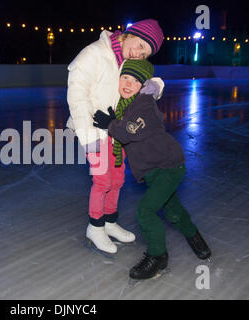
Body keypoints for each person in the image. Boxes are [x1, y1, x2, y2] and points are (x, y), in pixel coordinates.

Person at [93, 59, 212, 280]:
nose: (129, 84)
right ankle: (195, 237)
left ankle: (158, 257)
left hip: (167, 167)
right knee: (172, 211)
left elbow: (129, 130)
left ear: (143, 86)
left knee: (145, 211)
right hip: (153, 171)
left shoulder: (144, 104)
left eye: (136, 81)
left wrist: (111, 124)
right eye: (125, 77)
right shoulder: (125, 104)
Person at [66, 19, 165, 254]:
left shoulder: (127, 60)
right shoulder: (94, 53)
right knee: (102, 181)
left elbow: (144, 76)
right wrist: (88, 136)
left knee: (118, 179)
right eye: (141, 44)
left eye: (146, 52)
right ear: (131, 34)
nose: (140, 54)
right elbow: (77, 95)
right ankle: (95, 226)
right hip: (92, 131)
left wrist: (155, 86)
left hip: (115, 131)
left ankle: (109, 222)